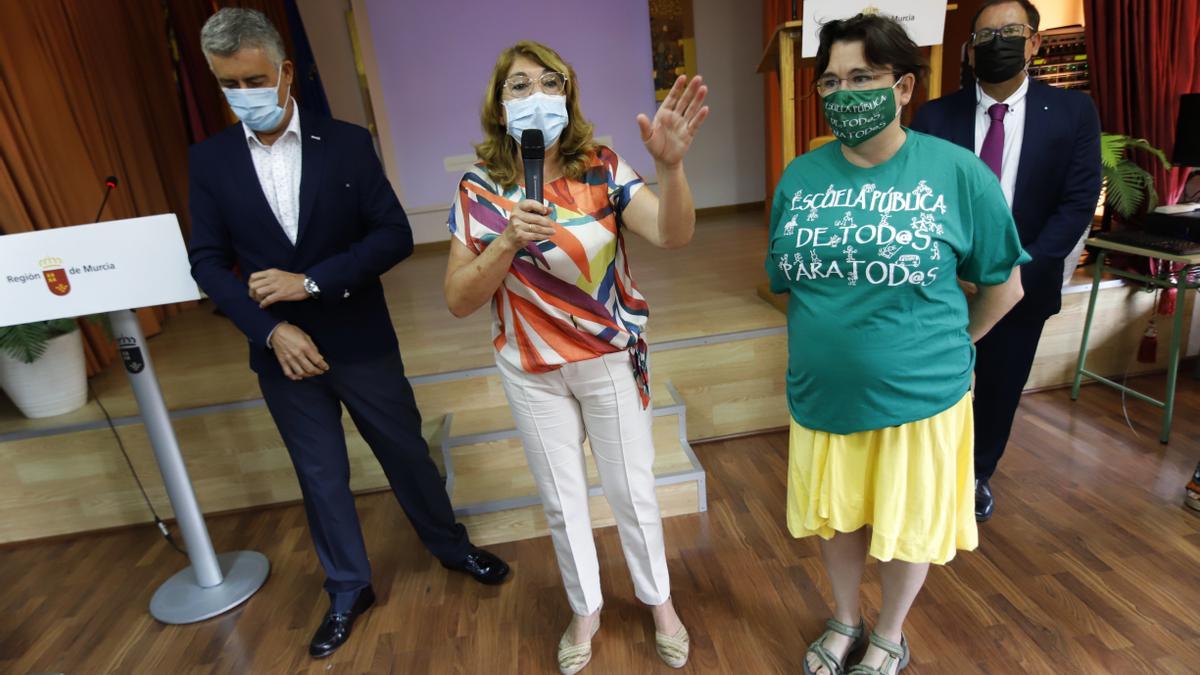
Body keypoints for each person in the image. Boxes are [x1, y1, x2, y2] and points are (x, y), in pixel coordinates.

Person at [187, 8, 508, 659]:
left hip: (360, 337)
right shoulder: (209, 159)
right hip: (280, 351)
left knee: (406, 452)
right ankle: (347, 588)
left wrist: (309, 283)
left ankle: (451, 546)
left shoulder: (349, 142)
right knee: (320, 473)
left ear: (283, 72)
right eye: (227, 84)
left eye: (252, 79)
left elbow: (391, 233)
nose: (242, 95)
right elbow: (207, 262)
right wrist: (272, 329)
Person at [766, 14, 1030, 675]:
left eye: (862, 77)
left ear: (904, 86)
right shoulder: (799, 177)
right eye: (830, 81)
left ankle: (889, 631)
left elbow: (1005, 286)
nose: (843, 93)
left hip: (922, 395)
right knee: (840, 516)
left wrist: (950, 343)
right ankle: (845, 616)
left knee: (908, 519)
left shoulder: (958, 173)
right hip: (823, 394)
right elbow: (782, 280)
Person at [443, 41, 708, 673]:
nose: (534, 96)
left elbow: (673, 235)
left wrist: (671, 170)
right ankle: (585, 608)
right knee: (562, 500)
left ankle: (660, 602)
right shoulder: (479, 188)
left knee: (632, 491)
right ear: (497, 102)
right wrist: (506, 238)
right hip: (530, 369)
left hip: (608, 357)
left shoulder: (603, 167)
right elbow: (458, 298)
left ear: (568, 95)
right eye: (518, 85)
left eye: (548, 82)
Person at [912, 0, 1102, 522]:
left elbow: (1077, 202)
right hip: (944, 282)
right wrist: (950, 269)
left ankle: (976, 474)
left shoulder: (1072, 112)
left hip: (1024, 281)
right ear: (970, 50)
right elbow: (919, 197)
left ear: (1034, 42)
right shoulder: (934, 115)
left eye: (1010, 32)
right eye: (985, 36)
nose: (997, 43)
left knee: (1000, 386)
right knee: (934, 382)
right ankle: (927, 476)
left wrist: (1017, 270)